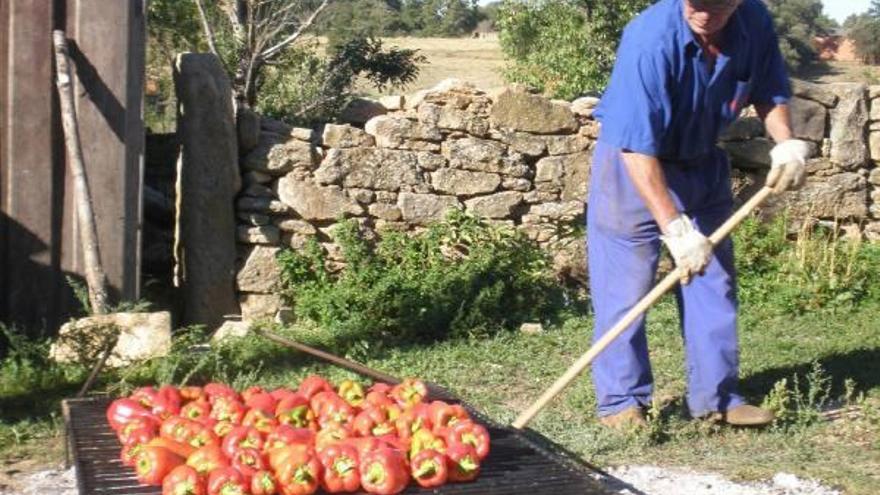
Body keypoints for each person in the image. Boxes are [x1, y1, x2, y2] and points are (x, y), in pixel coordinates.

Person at [588, 0, 810, 428]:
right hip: (632, 165)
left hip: (701, 161)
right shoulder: (649, 40)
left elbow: (770, 89)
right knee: (626, 289)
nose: (704, 13)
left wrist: (784, 141)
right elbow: (637, 148)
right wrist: (674, 227)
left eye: (717, 5)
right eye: (696, 3)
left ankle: (718, 399)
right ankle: (622, 403)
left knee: (714, 279)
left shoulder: (754, 21)